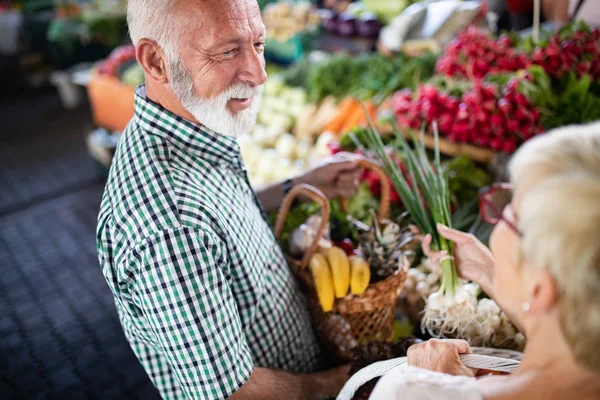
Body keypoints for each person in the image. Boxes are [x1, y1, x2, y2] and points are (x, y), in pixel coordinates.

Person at [96, 0, 361, 398]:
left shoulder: (191, 126)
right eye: (227, 51)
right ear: (155, 61)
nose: (260, 74)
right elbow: (234, 392)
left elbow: (221, 219)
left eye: (258, 44)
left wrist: (301, 184)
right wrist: (344, 382)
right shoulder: (169, 229)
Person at [368, 122, 600, 399]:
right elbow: (563, 335)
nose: (496, 217)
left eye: (511, 212)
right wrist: (492, 273)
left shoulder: (409, 391)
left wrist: (435, 384)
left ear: (540, 287)